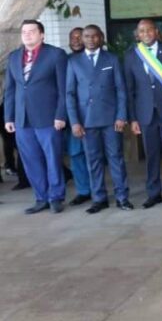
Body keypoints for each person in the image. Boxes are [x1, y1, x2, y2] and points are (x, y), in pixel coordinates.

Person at [65, 25, 133, 213]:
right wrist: (74, 122)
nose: (91, 39)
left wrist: (121, 115)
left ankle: (122, 197)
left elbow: (121, 90)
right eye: (87, 36)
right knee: (92, 160)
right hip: (86, 120)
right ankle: (99, 198)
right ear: (82, 39)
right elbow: (69, 94)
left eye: (95, 36)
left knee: (116, 158)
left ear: (101, 38)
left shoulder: (111, 59)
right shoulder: (74, 62)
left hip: (111, 119)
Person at [4, 20, 68, 214]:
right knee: (31, 160)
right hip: (22, 119)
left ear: (42, 34)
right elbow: (10, 90)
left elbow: (64, 89)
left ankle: (56, 197)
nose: (27, 35)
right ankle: (41, 198)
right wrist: (9, 117)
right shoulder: (14, 57)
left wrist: (60, 115)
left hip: (48, 118)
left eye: (32, 31)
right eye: (24, 32)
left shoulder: (56, 55)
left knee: (52, 159)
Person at [124, 19, 162, 208]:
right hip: (145, 114)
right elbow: (130, 90)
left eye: (149, 30)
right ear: (137, 35)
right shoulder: (132, 55)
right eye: (142, 31)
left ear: (156, 32)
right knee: (151, 155)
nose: (146, 33)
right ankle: (154, 193)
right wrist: (132, 118)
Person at [65, 26, 91, 206]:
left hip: (94, 117)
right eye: (72, 37)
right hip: (73, 117)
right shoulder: (65, 60)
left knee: (94, 155)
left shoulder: (97, 58)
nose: (75, 40)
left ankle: (97, 189)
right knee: (76, 154)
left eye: (79, 37)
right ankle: (84, 191)